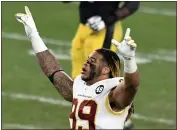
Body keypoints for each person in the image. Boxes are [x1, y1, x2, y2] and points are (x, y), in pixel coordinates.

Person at [15, 6, 139, 129]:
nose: (86, 64)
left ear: (106, 69)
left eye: (92, 62)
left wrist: (129, 59)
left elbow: (131, 86)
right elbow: (53, 72)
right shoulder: (80, 87)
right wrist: (34, 35)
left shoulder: (112, 91)